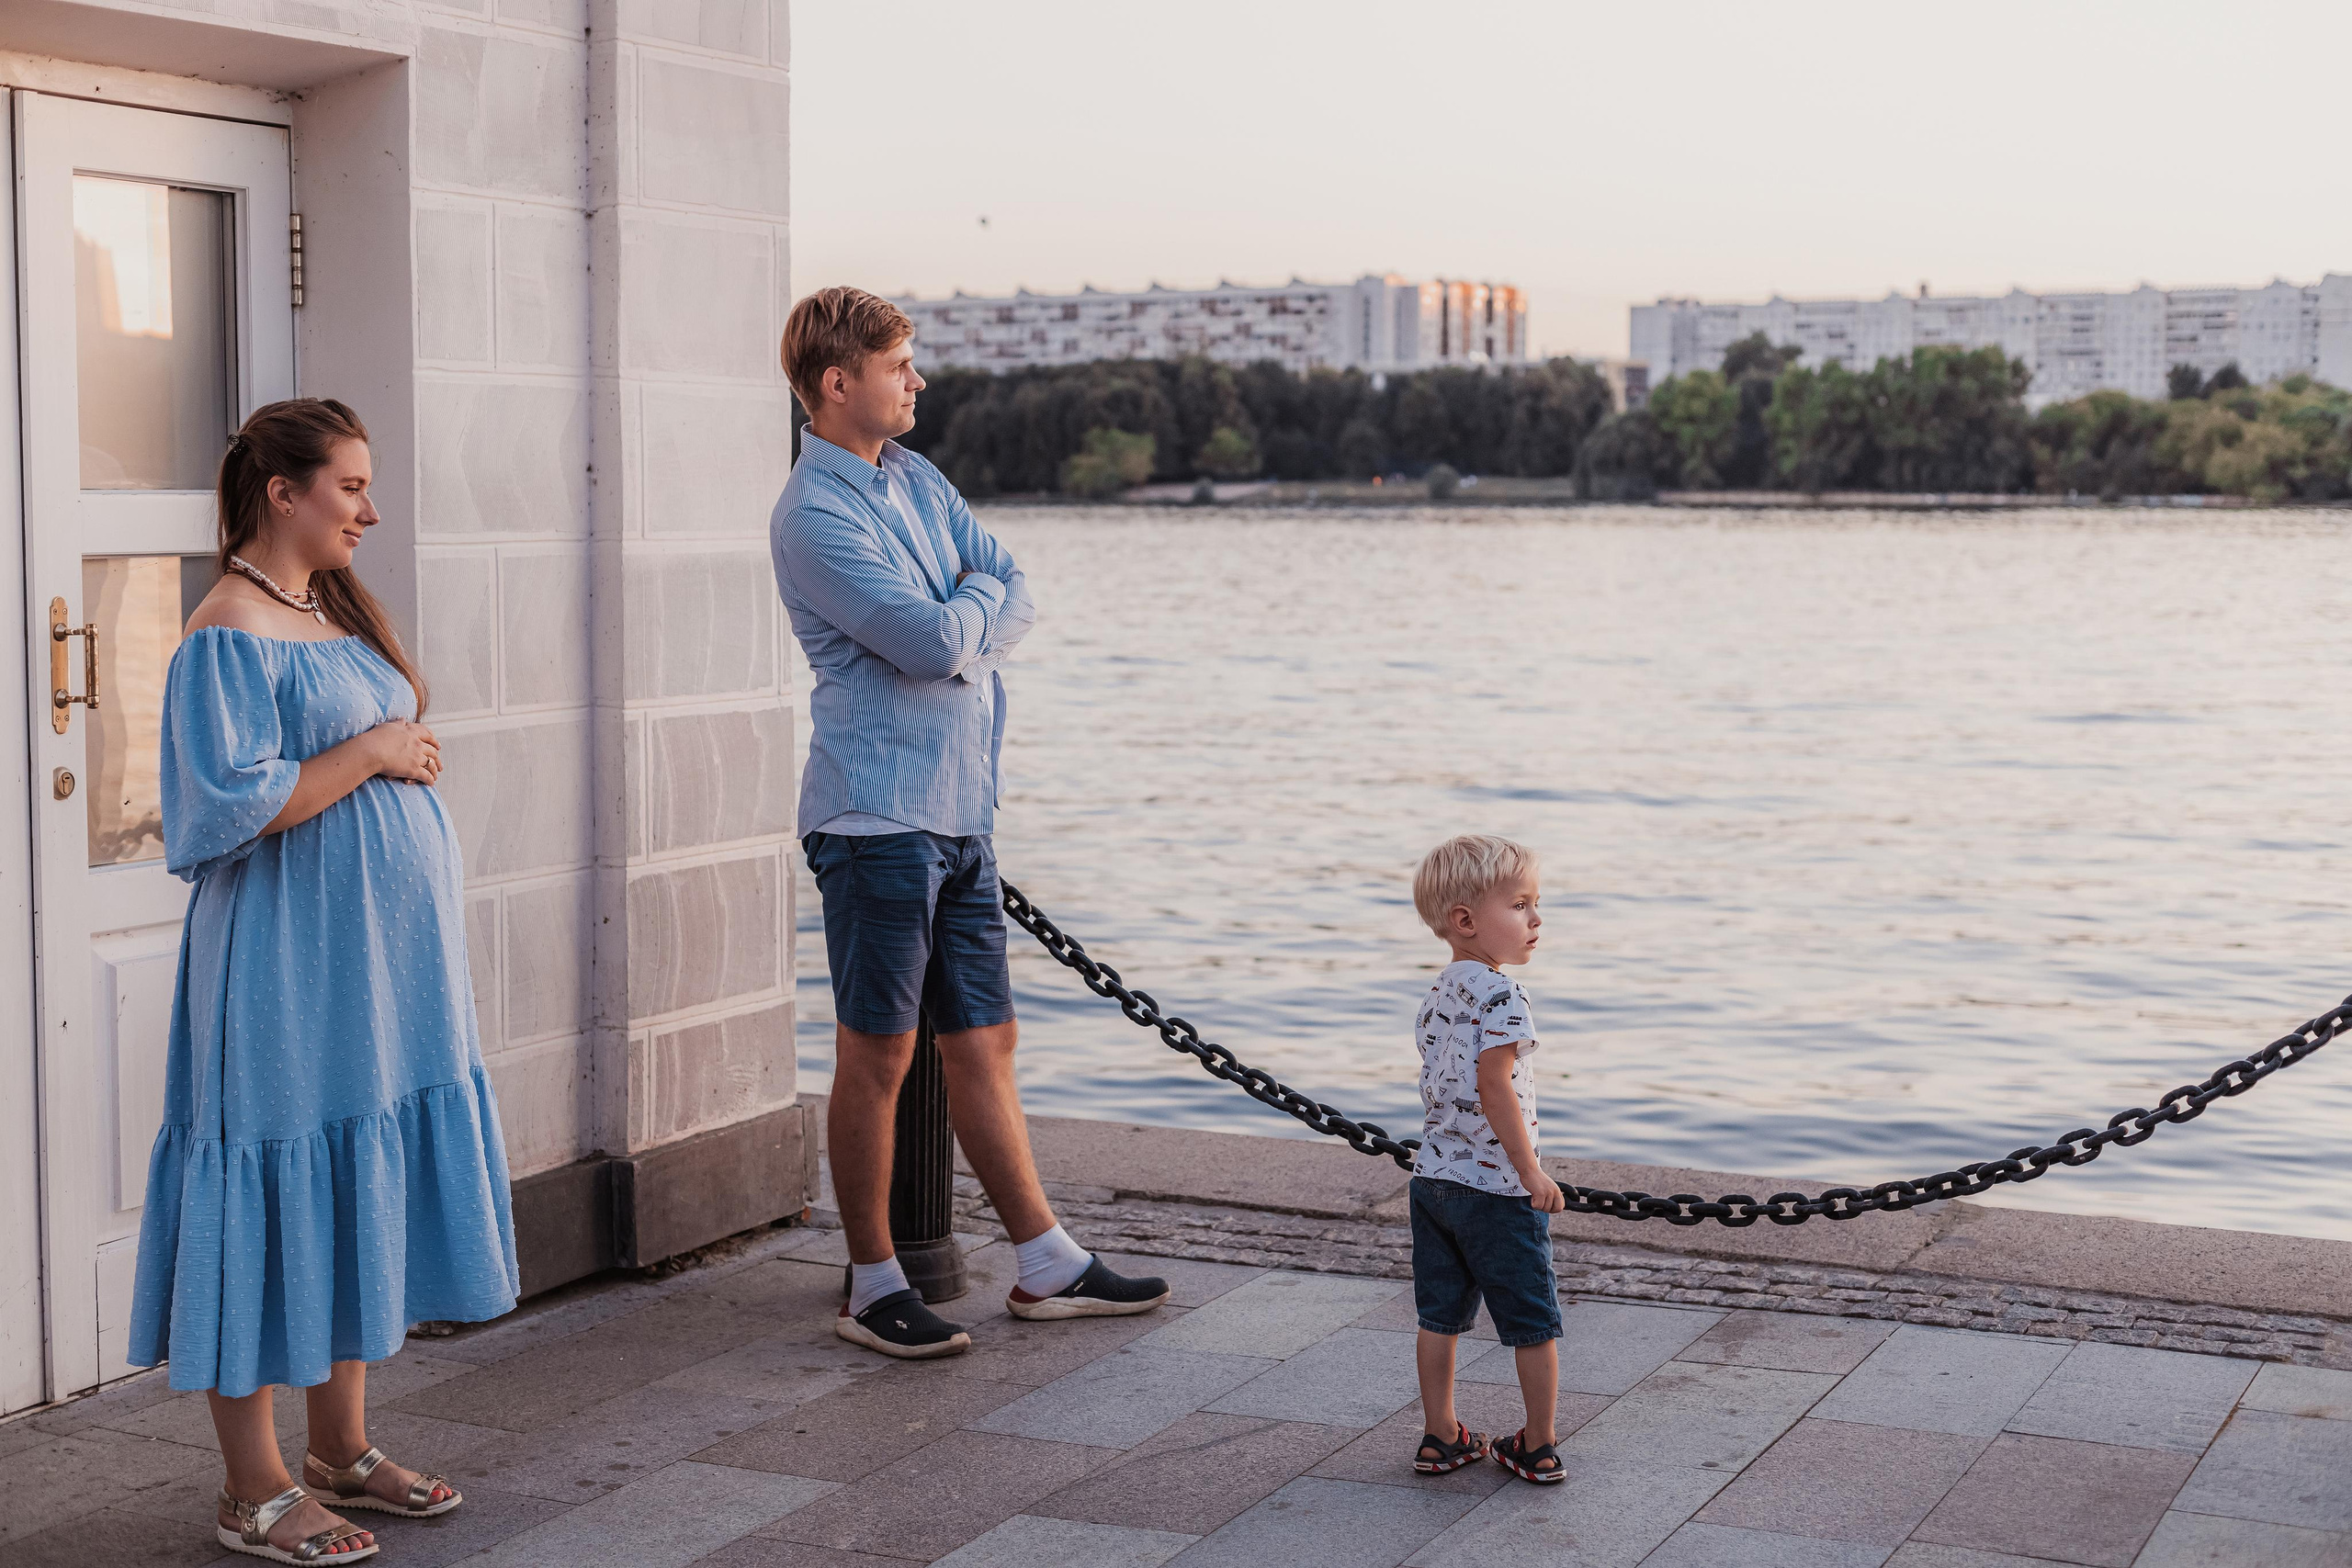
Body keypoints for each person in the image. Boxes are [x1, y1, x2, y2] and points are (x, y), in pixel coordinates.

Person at [127, 398, 518, 1562]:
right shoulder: (225, 630)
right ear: (283, 491)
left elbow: (371, 749)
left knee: (351, 1171)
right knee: (267, 1175)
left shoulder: (326, 611)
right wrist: (376, 752)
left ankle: (339, 1449)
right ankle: (251, 1489)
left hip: (378, 971)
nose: (370, 507)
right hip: (288, 963)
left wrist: (397, 754)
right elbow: (219, 811)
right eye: (350, 485)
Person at [771, 287, 1167, 1359]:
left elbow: (1010, 586)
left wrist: (969, 612)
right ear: (836, 382)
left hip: (959, 813)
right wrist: (970, 613)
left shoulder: (917, 478)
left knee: (986, 1042)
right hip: (874, 818)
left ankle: (1047, 1264)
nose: (918, 380)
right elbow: (925, 641)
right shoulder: (815, 513)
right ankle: (871, 1280)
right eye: (900, 366)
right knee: (880, 1057)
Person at [1404, 833, 1566, 1483]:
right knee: (1533, 1320)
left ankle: (1440, 1433)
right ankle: (1539, 1442)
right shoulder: (1505, 996)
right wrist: (1530, 1171)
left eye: (1535, 903)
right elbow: (1493, 1083)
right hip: (1496, 1189)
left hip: (1433, 1181)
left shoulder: (1441, 990)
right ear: (1466, 920)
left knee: (1438, 1315)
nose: (1535, 919)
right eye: (1520, 904)